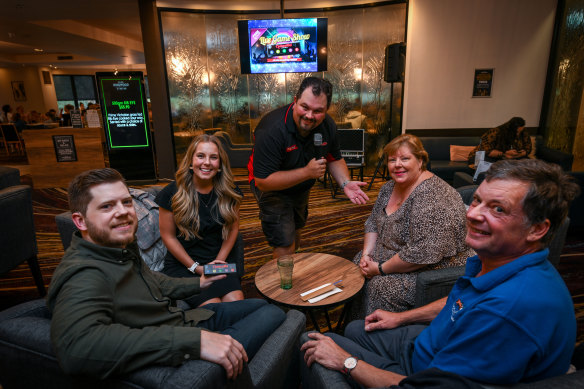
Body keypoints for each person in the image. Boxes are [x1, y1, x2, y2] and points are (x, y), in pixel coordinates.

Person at [301, 159, 579, 387]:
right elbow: (460, 303)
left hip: (424, 374)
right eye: (478, 201)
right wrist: (401, 317)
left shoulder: (507, 311)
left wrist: (346, 362)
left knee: (313, 342)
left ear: (537, 229)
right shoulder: (500, 262)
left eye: (498, 209)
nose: (472, 214)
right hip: (430, 345)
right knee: (354, 328)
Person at [46, 168, 285, 380]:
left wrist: (198, 283)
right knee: (275, 315)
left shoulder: (119, 248)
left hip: (185, 321)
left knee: (262, 306)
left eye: (126, 202)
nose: (123, 212)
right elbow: (75, 348)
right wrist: (196, 342)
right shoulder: (83, 273)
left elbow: (151, 281)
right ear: (80, 221)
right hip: (180, 338)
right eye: (107, 206)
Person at [248, 77, 369, 258]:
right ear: (295, 100)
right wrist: (307, 172)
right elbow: (263, 181)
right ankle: (283, 283)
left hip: (301, 187)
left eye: (318, 111)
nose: (309, 116)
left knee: (296, 230)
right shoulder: (271, 129)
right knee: (284, 239)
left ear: (326, 110)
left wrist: (345, 183)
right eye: (305, 107)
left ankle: (293, 266)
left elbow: (334, 158)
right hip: (271, 187)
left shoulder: (327, 125)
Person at [353, 134, 473, 315]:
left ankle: (379, 337)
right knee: (358, 263)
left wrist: (379, 269)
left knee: (382, 287)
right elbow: (372, 223)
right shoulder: (388, 187)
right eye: (392, 160)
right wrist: (367, 254)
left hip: (434, 266)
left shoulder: (434, 195)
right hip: (396, 253)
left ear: (420, 160)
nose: (397, 164)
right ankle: (356, 326)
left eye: (405, 158)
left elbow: (424, 252)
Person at [156, 134, 244, 307]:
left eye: (213, 157)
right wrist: (196, 268)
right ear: (190, 161)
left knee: (236, 304)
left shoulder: (230, 191)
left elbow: (233, 229)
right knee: (215, 308)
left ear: (220, 165)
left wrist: (218, 262)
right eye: (200, 156)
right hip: (184, 266)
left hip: (217, 260)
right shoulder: (171, 193)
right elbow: (168, 237)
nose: (207, 163)